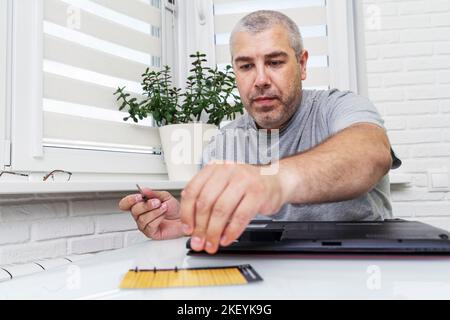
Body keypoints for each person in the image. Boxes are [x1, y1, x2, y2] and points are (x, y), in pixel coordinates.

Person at [119, 10, 399, 255]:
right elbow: (226, 230)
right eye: (246, 66)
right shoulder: (220, 146)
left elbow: (371, 155)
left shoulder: (339, 107)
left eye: (275, 62)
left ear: (302, 65)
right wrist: (186, 222)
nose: (261, 80)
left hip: (356, 273)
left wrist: (270, 181)